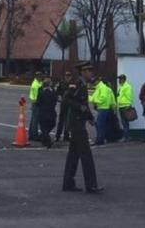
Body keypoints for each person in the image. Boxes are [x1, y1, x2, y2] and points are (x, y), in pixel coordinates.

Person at [62, 61, 104, 193]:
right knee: (86, 155)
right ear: (83, 72)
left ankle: (68, 183)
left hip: (78, 123)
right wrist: (79, 107)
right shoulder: (77, 84)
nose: (91, 73)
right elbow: (66, 99)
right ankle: (91, 185)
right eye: (89, 71)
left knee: (73, 155)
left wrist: (90, 118)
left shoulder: (83, 85)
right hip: (77, 124)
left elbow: (84, 104)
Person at [89, 77, 113, 145]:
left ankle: (100, 140)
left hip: (103, 108)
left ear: (97, 82)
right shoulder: (99, 87)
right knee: (99, 124)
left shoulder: (102, 88)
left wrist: (95, 101)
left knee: (100, 125)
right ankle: (100, 139)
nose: (93, 84)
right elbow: (94, 97)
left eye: (94, 82)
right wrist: (90, 98)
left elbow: (102, 98)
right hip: (101, 108)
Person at [37, 76, 57, 149]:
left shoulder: (41, 92)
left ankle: (45, 139)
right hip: (51, 112)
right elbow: (55, 101)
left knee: (43, 127)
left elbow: (38, 102)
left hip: (43, 112)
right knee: (51, 125)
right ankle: (44, 139)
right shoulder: (53, 92)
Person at [55, 71, 73, 142]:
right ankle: (58, 136)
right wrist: (59, 97)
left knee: (67, 121)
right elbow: (57, 92)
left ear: (71, 77)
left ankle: (66, 135)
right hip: (63, 104)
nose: (67, 77)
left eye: (69, 76)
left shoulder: (72, 84)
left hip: (69, 104)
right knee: (61, 121)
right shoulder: (61, 83)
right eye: (66, 76)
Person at [117, 74, 134, 142]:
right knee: (125, 123)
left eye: (120, 79)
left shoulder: (127, 87)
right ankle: (127, 136)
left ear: (124, 79)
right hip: (121, 106)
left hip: (125, 106)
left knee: (125, 123)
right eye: (119, 79)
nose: (119, 80)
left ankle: (125, 137)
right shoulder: (121, 86)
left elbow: (129, 96)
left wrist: (129, 104)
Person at [28, 72, 44, 141]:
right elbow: (37, 95)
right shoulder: (36, 85)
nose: (41, 77)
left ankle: (31, 134)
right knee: (35, 120)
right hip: (36, 103)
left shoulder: (38, 83)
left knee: (33, 120)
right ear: (37, 77)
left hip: (35, 102)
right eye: (40, 76)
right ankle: (34, 135)